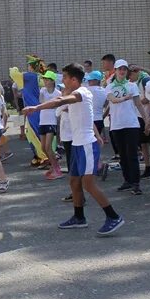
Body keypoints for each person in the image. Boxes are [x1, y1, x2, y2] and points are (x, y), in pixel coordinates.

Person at [24, 64, 124, 235]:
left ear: (74, 80)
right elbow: (69, 110)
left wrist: (36, 108)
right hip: (78, 144)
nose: (62, 80)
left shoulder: (82, 93)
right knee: (74, 181)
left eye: (64, 77)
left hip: (86, 145)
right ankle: (79, 218)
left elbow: (60, 101)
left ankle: (113, 217)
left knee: (88, 184)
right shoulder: (73, 94)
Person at [107, 60, 146, 195]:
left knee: (132, 154)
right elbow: (112, 100)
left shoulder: (132, 85)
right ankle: (127, 180)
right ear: (115, 70)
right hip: (117, 124)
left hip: (131, 123)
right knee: (122, 155)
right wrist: (125, 98)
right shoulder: (110, 86)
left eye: (124, 69)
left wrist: (146, 119)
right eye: (119, 69)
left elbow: (139, 104)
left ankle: (136, 183)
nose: (122, 71)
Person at [38, 70, 64, 180]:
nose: (45, 81)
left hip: (51, 120)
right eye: (44, 79)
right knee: (43, 148)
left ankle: (57, 169)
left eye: (47, 79)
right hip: (42, 120)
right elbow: (41, 103)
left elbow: (56, 107)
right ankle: (54, 165)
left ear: (53, 81)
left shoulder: (58, 93)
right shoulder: (43, 90)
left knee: (48, 147)